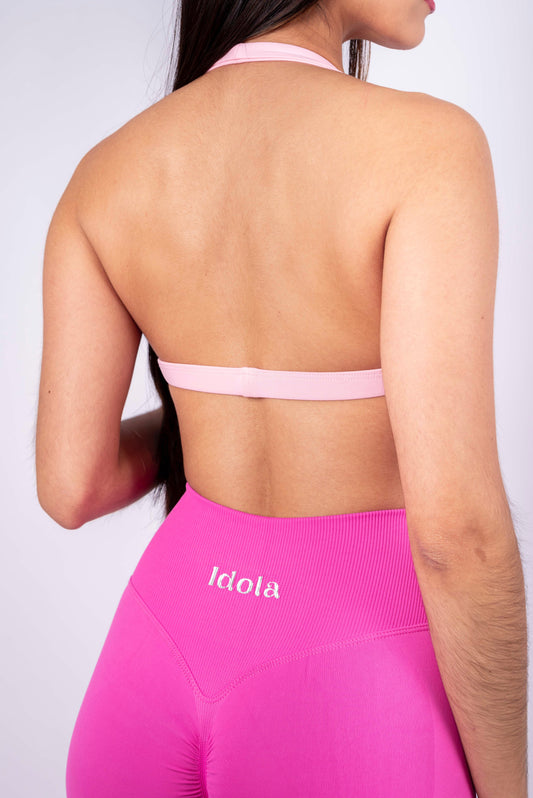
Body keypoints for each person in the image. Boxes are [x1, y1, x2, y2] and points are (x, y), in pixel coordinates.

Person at [35, 0, 528, 796]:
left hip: (152, 659)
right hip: (353, 691)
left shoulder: (108, 170)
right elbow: (458, 536)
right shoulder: (427, 146)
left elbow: (72, 484)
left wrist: (216, 404)